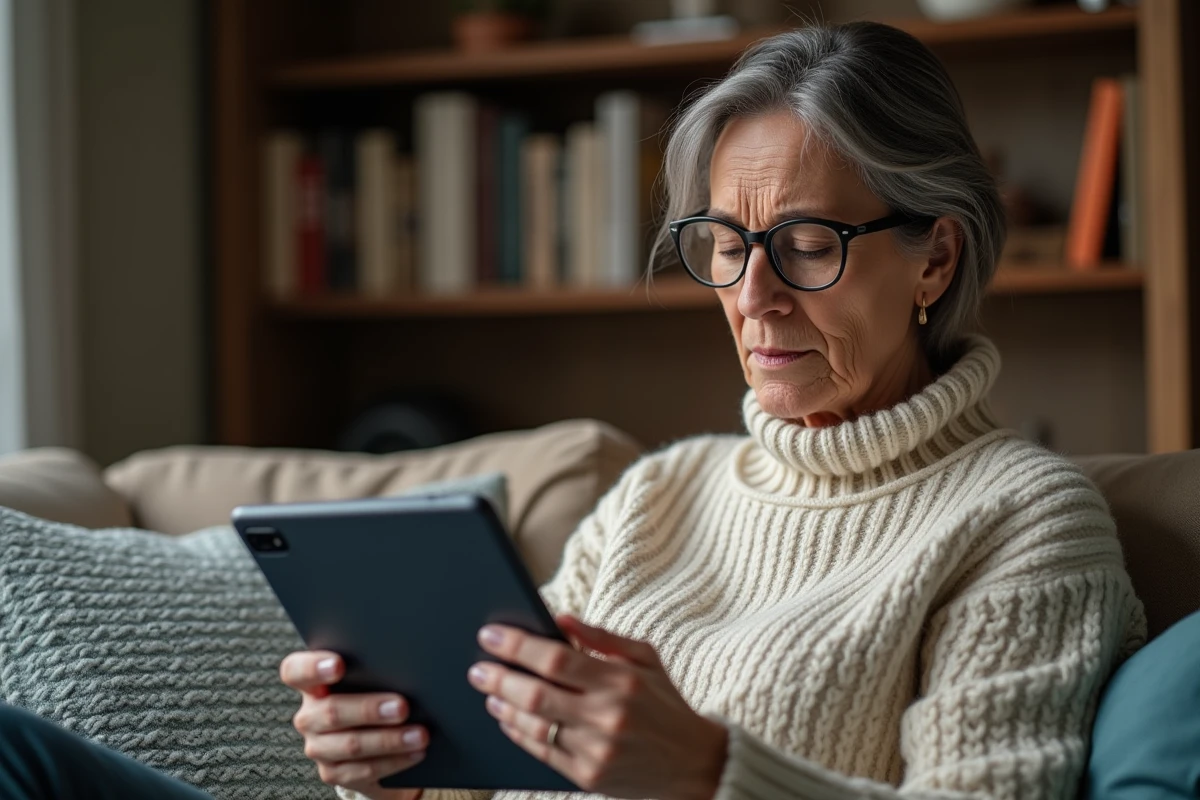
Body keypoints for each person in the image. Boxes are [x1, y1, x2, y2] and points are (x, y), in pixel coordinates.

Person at [0, 19, 1145, 800]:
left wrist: (708, 774)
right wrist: (385, 767)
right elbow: (494, 768)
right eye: (724, 245)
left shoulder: (1023, 520)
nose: (751, 296)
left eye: (806, 243)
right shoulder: (661, 492)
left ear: (935, 259)